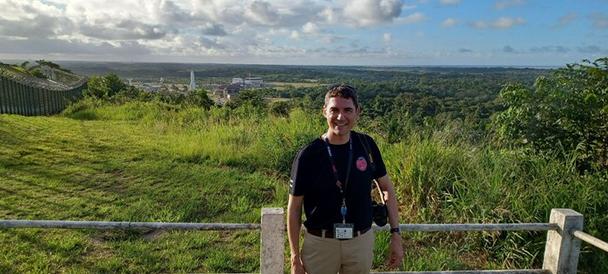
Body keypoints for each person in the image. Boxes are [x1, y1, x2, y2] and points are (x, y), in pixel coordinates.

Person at [288, 84, 404, 274]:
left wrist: (396, 234)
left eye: (348, 110)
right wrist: (294, 257)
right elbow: (294, 208)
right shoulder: (308, 155)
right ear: (324, 111)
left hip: (360, 242)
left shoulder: (366, 145)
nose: (340, 117)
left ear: (357, 112)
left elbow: (386, 188)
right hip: (320, 243)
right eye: (334, 110)